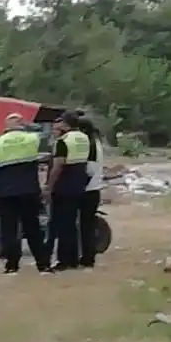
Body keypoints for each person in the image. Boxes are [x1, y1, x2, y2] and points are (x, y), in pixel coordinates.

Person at [0, 114, 52, 275]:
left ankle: (12, 266)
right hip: (29, 190)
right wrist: (28, 125)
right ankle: (43, 265)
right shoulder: (32, 139)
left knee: (9, 230)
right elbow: (46, 133)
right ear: (21, 125)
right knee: (33, 228)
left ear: (6, 127)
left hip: (5, 193)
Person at [44, 111, 90, 271]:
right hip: (79, 183)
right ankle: (73, 259)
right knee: (72, 223)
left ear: (65, 124)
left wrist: (49, 187)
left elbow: (58, 166)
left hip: (64, 186)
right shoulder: (84, 138)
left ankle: (63, 261)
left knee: (62, 224)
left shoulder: (63, 141)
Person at [78, 115, 104, 269]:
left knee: (86, 226)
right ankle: (87, 256)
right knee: (87, 225)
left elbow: (90, 170)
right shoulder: (95, 142)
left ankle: (88, 258)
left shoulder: (91, 145)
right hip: (94, 189)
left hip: (89, 189)